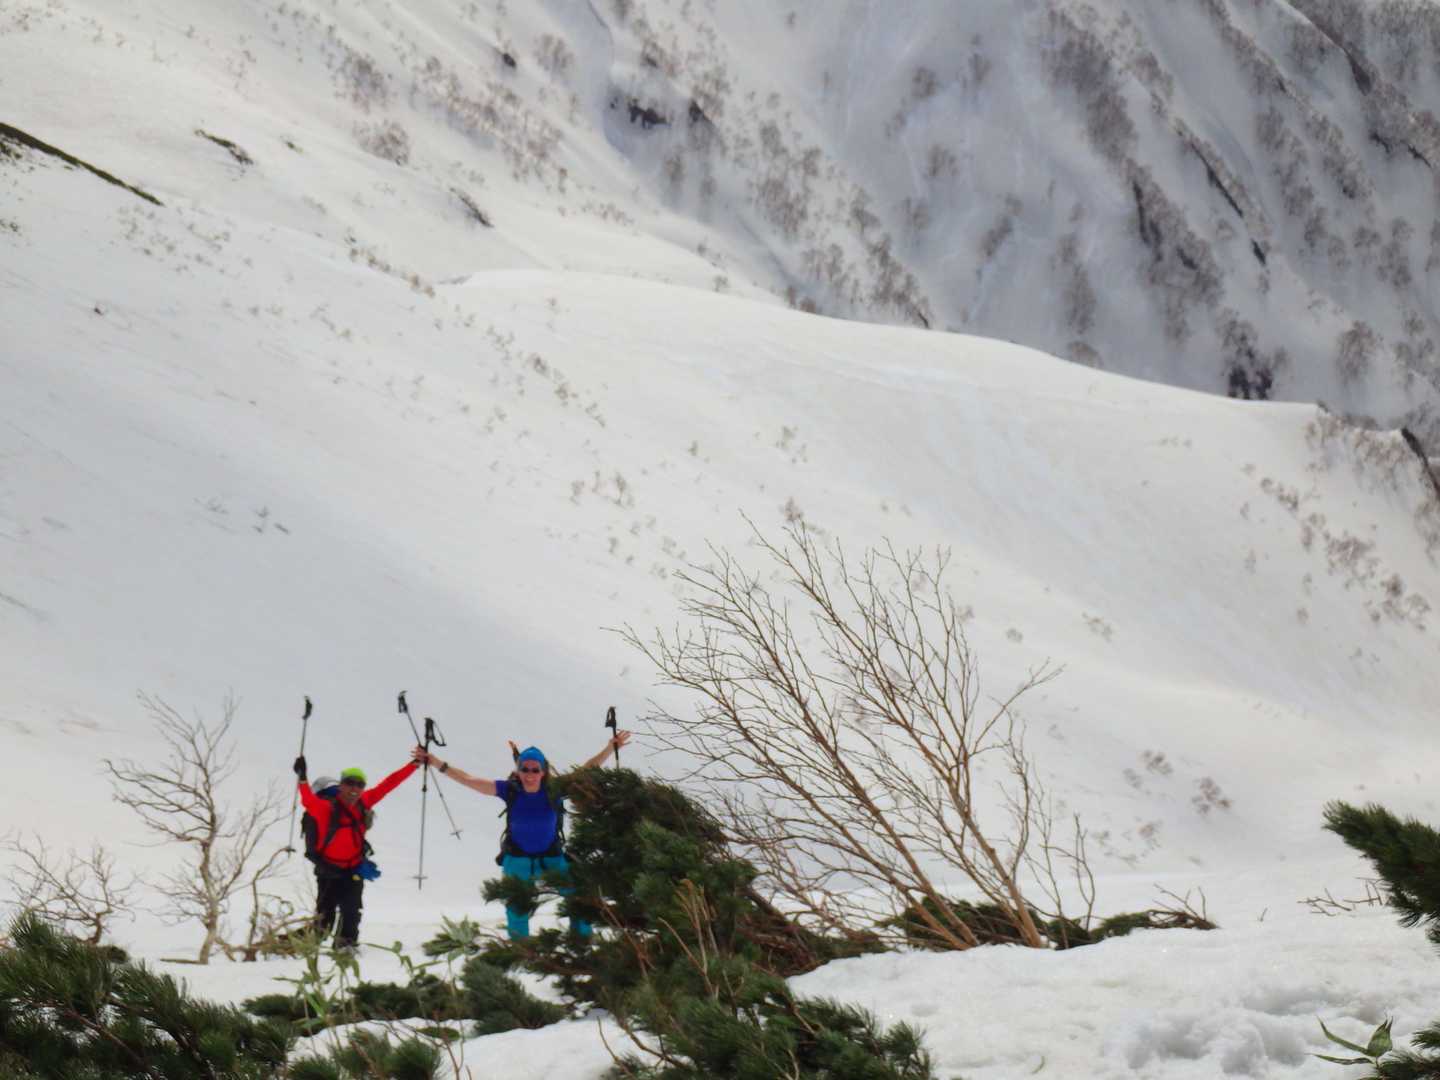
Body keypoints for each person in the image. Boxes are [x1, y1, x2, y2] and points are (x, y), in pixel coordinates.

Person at [413, 729, 631, 939]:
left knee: (579, 899)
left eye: (535, 770)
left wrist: (609, 748)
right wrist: (435, 762)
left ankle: (581, 943)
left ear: (543, 772)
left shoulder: (555, 789)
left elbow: (586, 770)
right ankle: (522, 951)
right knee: (516, 910)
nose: (530, 775)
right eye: (525, 769)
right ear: (518, 771)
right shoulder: (509, 790)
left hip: (552, 858)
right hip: (517, 859)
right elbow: (468, 780)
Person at [292, 751, 420, 950]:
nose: (355, 788)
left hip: (353, 869)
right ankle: (292, 944)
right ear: (341, 785)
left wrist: (415, 764)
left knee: (352, 912)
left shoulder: (364, 802)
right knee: (324, 919)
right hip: (328, 871)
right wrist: (302, 778)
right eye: (350, 783)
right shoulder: (326, 808)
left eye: (360, 784)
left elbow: (389, 783)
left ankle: (346, 947)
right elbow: (308, 800)